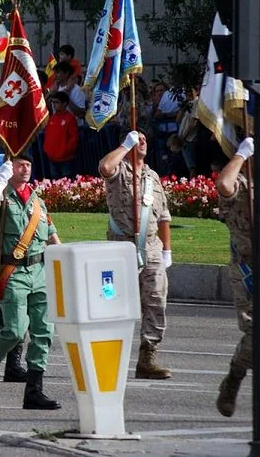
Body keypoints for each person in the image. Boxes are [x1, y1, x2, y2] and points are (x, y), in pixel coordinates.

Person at [0, 155, 62, 410]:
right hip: (13, 272)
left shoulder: (37, 201)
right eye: (20, 164)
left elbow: (52, 235)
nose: (25, 168)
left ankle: (34, 390)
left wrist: (66, 261)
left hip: (39, 272)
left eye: (29, 164)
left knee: (43, 332)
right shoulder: (0, 196)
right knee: (16, 330)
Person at [98, 130, 173, 379]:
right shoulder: (120, 170)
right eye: (136, 139)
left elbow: (163, 216)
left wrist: (167, 250)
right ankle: (108, 358)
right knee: (113, 303)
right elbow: (105, 167)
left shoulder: (152, 177)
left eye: (144, 138)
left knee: (156, 301)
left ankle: (147, 357)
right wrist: (124, 145)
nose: (142, 141)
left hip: (151, 247)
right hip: (120, 247)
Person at [214, 136, 253, 417]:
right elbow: (224, 185)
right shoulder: (241, 184)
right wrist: (242, 155)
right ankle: (234, 379)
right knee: (256, 334)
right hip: (249, 272)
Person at [42, 91, 79, 178]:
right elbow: (48, 137)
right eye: (53, 102)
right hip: (52, 158)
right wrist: (47, 150)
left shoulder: (70, 118)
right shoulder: (52, 119)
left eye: (56, 102)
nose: (54, 105)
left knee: (67, 184)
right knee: (55, 184)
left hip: (66, 159)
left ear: (64, 104)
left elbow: (74, 138)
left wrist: (67, 151)